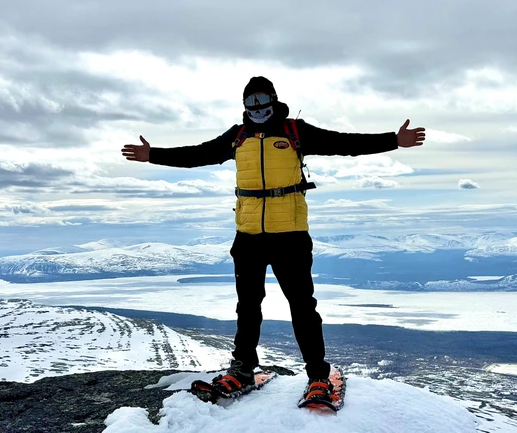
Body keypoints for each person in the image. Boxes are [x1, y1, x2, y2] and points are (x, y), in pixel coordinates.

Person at [121, 76, 425, 404]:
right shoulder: (237, 136)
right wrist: (152, 155)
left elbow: (344, 143)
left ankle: (318, 375)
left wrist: (395, 140)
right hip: (248, 236)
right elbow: (198, 154)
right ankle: (242, 369)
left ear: (274, 99)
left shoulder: (295, 131)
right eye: (250, 102)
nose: (257, 107)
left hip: (290, 236)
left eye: (262, 99)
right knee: (247, 306)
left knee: (302, 306)